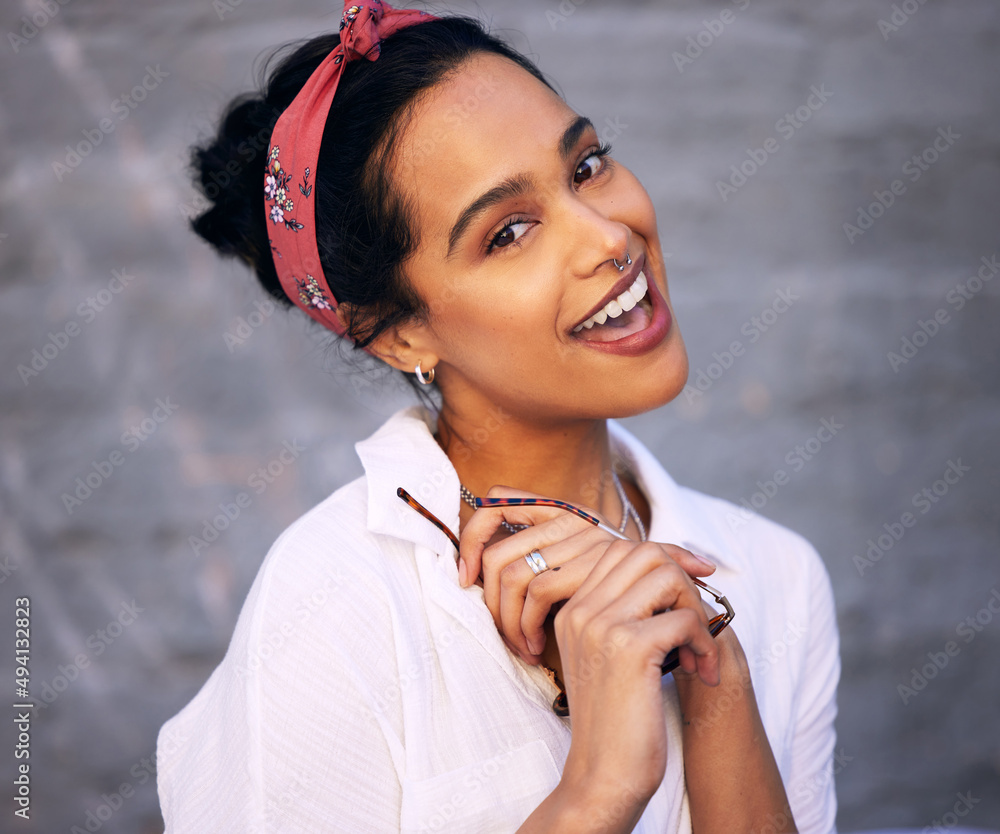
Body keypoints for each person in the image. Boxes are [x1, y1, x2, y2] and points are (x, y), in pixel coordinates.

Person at [157, 2, 840, 832]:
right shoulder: (335, 607)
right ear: (401, 331)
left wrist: (712, 676)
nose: (607, 239)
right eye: (510, 231)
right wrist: (595, 793)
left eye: (587, 166)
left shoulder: (772, 578)